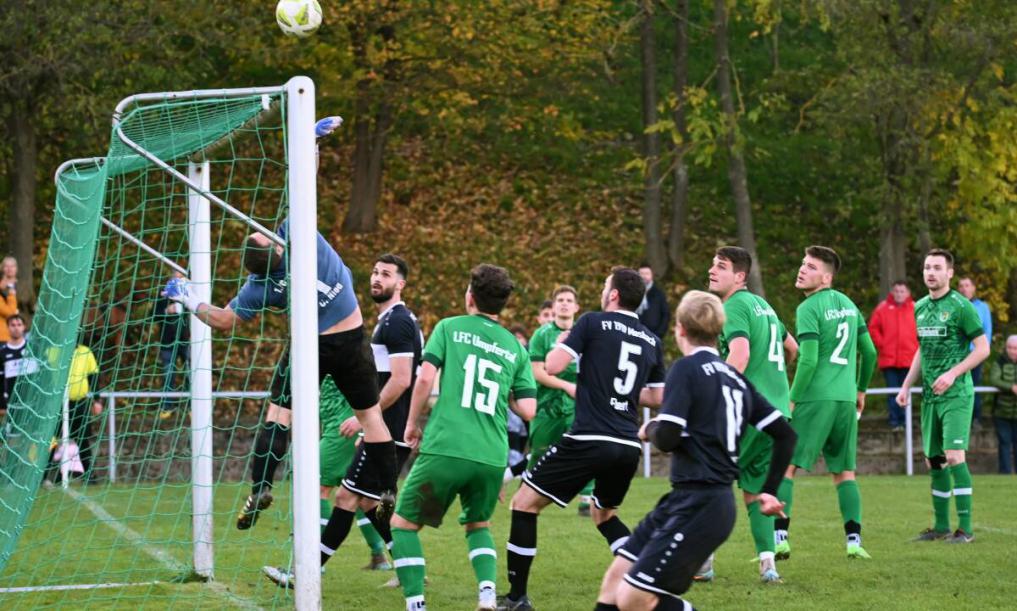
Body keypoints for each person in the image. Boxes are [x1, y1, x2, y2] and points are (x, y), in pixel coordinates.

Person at [163, 220, 398, 533]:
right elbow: (308, 173)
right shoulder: (298, 234)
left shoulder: (259, 285)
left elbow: (222, 320)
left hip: (311, 345)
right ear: (277, 247)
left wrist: (188, 298)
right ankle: (388, 489)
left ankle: (260, 487)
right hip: (352, 338)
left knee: (278, 415)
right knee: (371, 418)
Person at [593, 290, 797, 611]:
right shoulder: (734, 377)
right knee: (615, 579)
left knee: (633, 596)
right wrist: (769, 491)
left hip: (703, 503)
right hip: (684, 499)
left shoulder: (685, 369)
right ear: (719, 332)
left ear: (680, 329)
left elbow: (669, 437)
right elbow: (785, 435)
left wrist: (650, 429)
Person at [500, 268, 666, 611]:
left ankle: (516, 598)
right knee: (604, 514)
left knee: (523, 503)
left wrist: (564, 343)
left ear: (614, 295)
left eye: (606, 286)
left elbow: (554, 365)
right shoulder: (652, 339)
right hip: (627, 444)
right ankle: (645, 575)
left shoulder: (591, 323)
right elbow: (657, 397)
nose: (603, 291)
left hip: (590, 436)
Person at [387, 263, 537, 611]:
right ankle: (486, 593)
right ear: (502, 305)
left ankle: (416, 604)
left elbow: (424, 379)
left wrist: (411, 424)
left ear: (470, 295)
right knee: (477, 523)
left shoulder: (449, 327)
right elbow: (528, 408)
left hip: (447, 447)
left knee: (404, 525)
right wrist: (505, 392)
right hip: (491, 454)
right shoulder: (515, 348)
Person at [776, 246, 877, 560]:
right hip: (846, 399)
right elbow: (870, 353)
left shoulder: (809, 308)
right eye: (802, 263)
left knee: (786, 467)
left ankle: (780, 538)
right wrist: (861, 390)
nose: (802, 269)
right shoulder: (848, 304)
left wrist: (792, 398)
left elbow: (807, 360)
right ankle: (854, 543)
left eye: (811, 266)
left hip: (815, 398)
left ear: (826, 277)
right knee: (845, 473)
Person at [705, 246, 798, 583]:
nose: (713, 270)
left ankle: (703, 562)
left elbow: (740, 356)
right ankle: (767, 563)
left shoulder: (734, 307)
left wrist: (715, 395)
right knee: (754, 490)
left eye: (722, 266)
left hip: (745, 412)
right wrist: (774, 383)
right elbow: (792, 348)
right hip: (773, 414)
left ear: (740, 276)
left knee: (708, 480)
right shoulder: (765, 306)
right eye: (713, 264)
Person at [896, 250, 989, 543]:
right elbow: (923, 350)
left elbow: (983, 348)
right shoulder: (920, 306)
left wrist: (952, 374)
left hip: (957, 395)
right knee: (934, 460)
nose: (930, 273)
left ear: (949, 273)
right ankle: (939, 527)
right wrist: (906, 385)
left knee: (953, 455)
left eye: (937, 267)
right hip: (930, 397)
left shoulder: (962, 307)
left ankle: (966, 529)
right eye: (926, 267)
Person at [526, 285, 594, 517]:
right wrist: (566, 385)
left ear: (576, 307)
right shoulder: (542, 335)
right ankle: (528, 489)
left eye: (568, 300)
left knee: (585, 447)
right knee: (540, 451)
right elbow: (537, 371)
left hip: (579, 404)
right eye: (560, 300)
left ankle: (586, 498)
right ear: (553, 306)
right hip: (547, 405)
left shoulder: (584, 334)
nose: (564, 303)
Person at [868, 280, 918, 431]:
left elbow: (923, 330)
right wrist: (883, 344)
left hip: (910, 359)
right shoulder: (882, 308)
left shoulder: (916, 308)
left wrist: (917, 347)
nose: (899, 294)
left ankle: (906, 421)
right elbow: (873, 329)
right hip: (888, 359)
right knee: (892, 391)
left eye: (902, 291)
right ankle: (895, 422)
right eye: (896, 291)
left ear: (908, 293)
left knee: (907, 391)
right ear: (892, 292)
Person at [62, 344, 103, 481]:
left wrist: (97, 400)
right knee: (53, 440)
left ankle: (88, 474)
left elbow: (93, 377)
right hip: (58, 405)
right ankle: (47, 476)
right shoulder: (55, 350)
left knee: (83, 438)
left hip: (80, 402)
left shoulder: (85, 351)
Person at [153, 272, 190, 419]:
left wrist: (183, 311)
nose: (177, 281)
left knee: (191, 374)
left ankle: (191, 407)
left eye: (180, 278)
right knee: (168, 375)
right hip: (167, 342)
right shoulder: (163, 296)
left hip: (186, 341)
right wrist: (166, 311)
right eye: (174, 278)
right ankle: (168, 407)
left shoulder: (189, 293)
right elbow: (153, 315)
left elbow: (196, 312)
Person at [957, 276, 993, 426]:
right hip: (958, 355)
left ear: (973, 288)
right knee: (957, 387)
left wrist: (983, 350)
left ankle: (975, 417)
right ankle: (959, 417)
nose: (964, 288)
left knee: (973, 385)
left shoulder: (982, 307)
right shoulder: (955, 305)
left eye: (967, 285)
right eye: (961, 286)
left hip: (975, 354)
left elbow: (987, 330)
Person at [987, 335, 1017, 474]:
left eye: (1015, 348)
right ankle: (1004, 473)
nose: (1012, 351)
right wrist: (1011, 387)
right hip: (1001, 412)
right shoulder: (999, 361)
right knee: (1004, 443)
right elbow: (994, 379)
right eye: (1009, 348)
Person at [1, 315, 34, 431]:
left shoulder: (33, 348)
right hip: (12, 405)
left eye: (19, 325)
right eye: (13, 325)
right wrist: (2, 405)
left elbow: (44, 375)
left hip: (33, 403)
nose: (16, 328)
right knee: (13, 440)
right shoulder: (2, 352)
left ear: (24, 327)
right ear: (8, 328)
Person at [636, 263, 670, 340]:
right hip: (634, 335)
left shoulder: (659, 294)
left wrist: (659, 334)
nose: (644, 276)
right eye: (641, 274)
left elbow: (666, 315)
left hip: (653, 336)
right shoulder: (632, 292)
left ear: (652, 275)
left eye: (647, 274)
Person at [0, 258, 18, 344]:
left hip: (24, 330)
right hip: (5, 333)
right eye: (6, 266)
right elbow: (9, 312)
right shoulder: (1, 287)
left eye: (12, 266)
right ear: (2, 268)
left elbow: (32, 304)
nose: (9, 269)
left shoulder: (24, 285)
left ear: (16, 268)